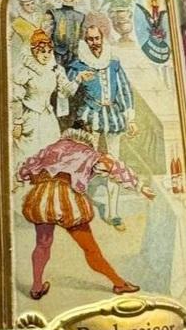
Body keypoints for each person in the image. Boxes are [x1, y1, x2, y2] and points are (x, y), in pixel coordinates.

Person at [19, 127, 155, 300]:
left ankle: (36, 287)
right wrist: (140, 187)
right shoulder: (89, 152)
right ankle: (119, 284)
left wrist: (26, 181)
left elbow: (25, 170)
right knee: (90, 248)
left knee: (42, 244)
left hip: (41, 199)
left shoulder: (51, 149)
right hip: (69, 202)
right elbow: (114, 166)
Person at [68, 25, 138, 231]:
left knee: (114, 165)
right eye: (90, 39)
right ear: (85, 41)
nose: (94, 43)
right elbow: (66, 92)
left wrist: (130, 119)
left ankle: (113, 213)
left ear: (102, 39)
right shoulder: (78, 65)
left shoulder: (113, 63)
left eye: (97, 38)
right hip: (90, 117)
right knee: (85, 164)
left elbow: (124, 90)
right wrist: (78, 78)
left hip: (113, 117)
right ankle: (78, 212)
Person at [12, 29, 71, 163]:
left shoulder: (53, 70)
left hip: (48, 117)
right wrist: (18, 121)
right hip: (30, 118)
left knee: (50, 153)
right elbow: (16, 98)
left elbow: (66, 90)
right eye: (42, 51)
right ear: (34, 52)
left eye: (49, 52)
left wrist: (78, 79)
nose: (46, 55)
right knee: (30, 154)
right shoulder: (25, 71)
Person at [51, 0, 85, 68]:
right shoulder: (54, 13)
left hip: (75, 57)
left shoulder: (80, 16)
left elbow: (83, 39)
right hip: (57, 57)